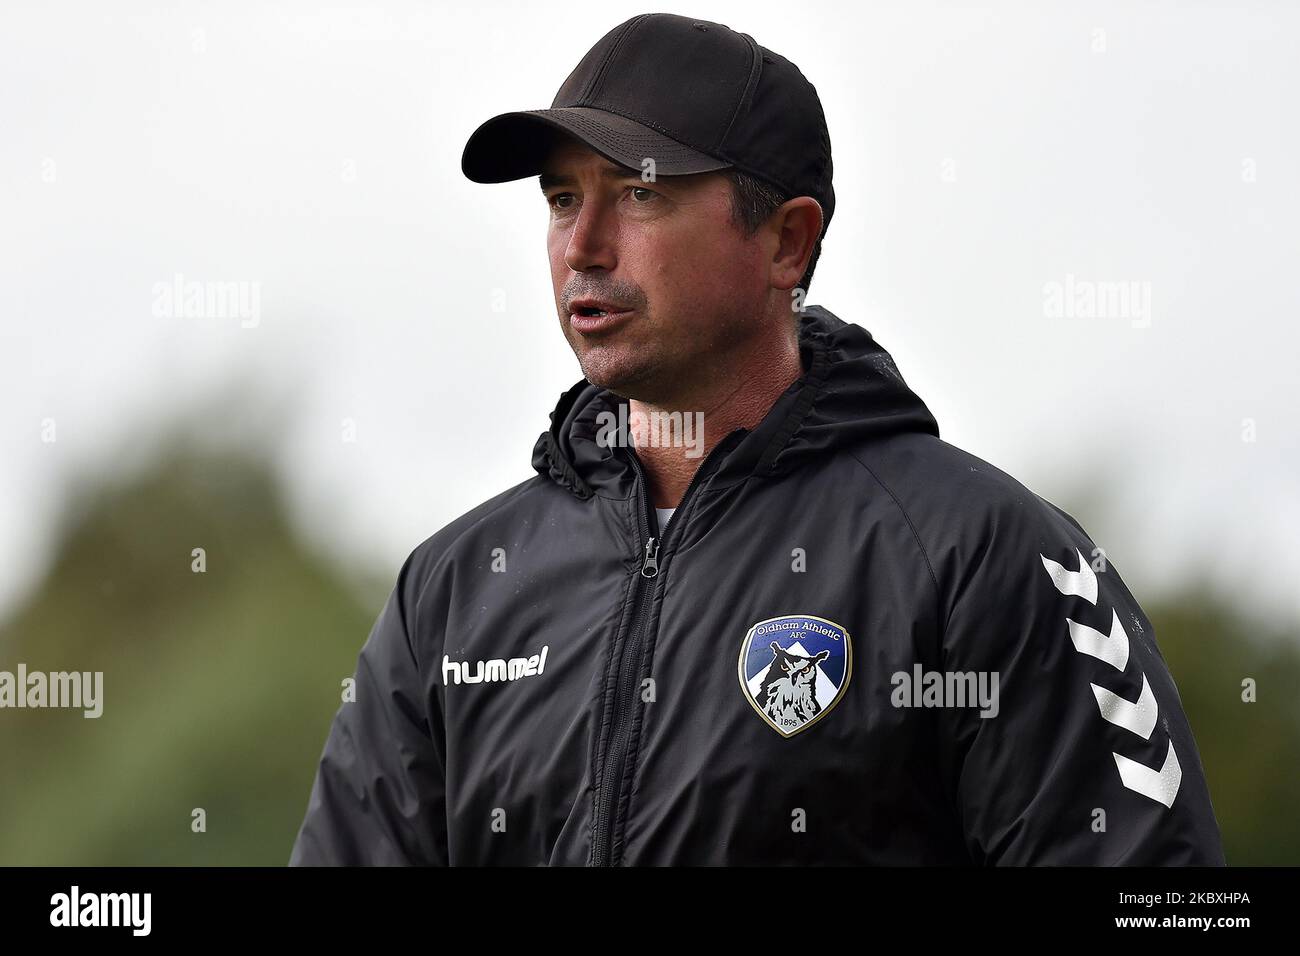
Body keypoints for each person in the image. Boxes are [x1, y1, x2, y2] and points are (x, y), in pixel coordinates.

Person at [289, 13, 1225, 866]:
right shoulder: (453, 590)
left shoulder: (987, 556)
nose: (584, 246)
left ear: (786, 242)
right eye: (563, 199)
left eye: (640, 196)